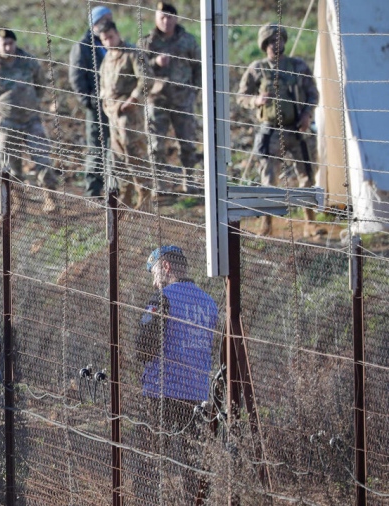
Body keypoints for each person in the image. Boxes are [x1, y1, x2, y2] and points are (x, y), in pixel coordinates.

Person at [137, 245, 218, 502]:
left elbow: (144, 348)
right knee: (193, 466)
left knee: (149, 460)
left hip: (161, 393)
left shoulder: (163, 299)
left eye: (153, 272)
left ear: (166, 267)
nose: (153, 281)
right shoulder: (209, 303)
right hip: (196, 396)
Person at [237, 23, 321, 237]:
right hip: (271, 130)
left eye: (280, 39)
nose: (276, 43)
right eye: (272, 40)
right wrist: (256, 100)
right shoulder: (258, 68)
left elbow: (313, 94)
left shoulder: (298, 66)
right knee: (269, 179)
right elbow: (241, 97)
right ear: (264, 45)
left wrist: (306, 114)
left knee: (307, 176)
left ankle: (309, 222)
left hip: (296, 129)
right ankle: (267, 224)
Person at [0, 28, 58, 212]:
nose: (7, 47)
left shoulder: (28, 62)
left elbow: (41, 84)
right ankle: (18, 202)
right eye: (3, 44)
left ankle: (50, 199)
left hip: (31, 119)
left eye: (10, 43)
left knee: (42, 158)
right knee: (10, 165)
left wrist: (32, 102)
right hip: (7, 123)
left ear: (15, 43)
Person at [137, 2, 202, 193]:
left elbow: (199, 66)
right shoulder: (148, 42)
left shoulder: (187, 40)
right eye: (162, 17)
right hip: (157, 100)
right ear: (156, 18)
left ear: (176, 18)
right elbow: (139, 69)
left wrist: (194, 91)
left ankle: (188, 180)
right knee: (156, 144)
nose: (166, 21)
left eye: (170, 17)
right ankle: (160, 184)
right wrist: (155, 62)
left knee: (188, 142)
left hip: (183, 99)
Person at [97, 20, 151, 210]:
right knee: (119, 157)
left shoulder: (132, 54)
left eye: (111, 37)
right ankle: (125, 195)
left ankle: (144, 196)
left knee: (135, 154)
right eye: (104, 39)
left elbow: (145, 80)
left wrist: (132, 100)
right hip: (112, 115)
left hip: (129, 115)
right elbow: (104, 84)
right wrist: (105, 104)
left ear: (117, 33)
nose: (109, 42)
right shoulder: (107, 58)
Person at [69, 5, 113, 196]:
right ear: (94, 23)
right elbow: (76, 77)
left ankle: (113, 186)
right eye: (104, 19)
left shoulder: (112, 41)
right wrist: (89, 101)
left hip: (115, 104)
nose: (108, 22)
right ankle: (93, 189)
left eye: (109, 18)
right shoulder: (83, 46)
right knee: (97, 146)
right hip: (96, 105)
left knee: (115, 146)